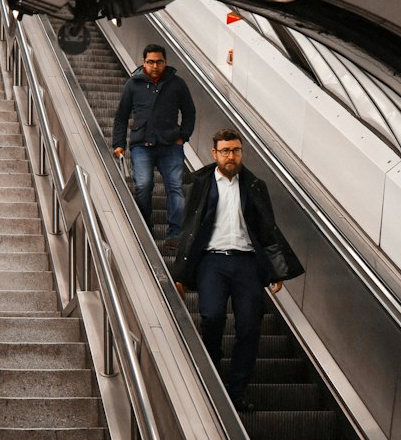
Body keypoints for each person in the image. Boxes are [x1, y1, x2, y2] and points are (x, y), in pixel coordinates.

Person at [172, 128, 303, 412]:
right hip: (212, 261)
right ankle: (212, 374)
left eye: (236, 150)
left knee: (249, 327)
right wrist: (180, 275)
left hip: (247, 264)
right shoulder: (198, 183)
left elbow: (267, 230)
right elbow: (189, 231)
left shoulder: (255, 186)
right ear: (214, 153)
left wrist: (276, 270)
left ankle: (237, 391)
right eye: (226, 151)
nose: (232, 156)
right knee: (212, 316)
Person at [111, 42, 196, 246]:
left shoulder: (177, 84)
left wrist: (183, 136)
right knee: (143, 185)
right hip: (141, 145)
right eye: (150, 62)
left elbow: (189, 112)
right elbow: (121, 116)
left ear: (165, 62)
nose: (155, 66)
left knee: (175, 187)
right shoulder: (133, 84)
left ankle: (175, 234)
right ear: (144, 62)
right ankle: (145, 229)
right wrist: (118, 143)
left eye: (159, 62)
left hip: (170, 145)